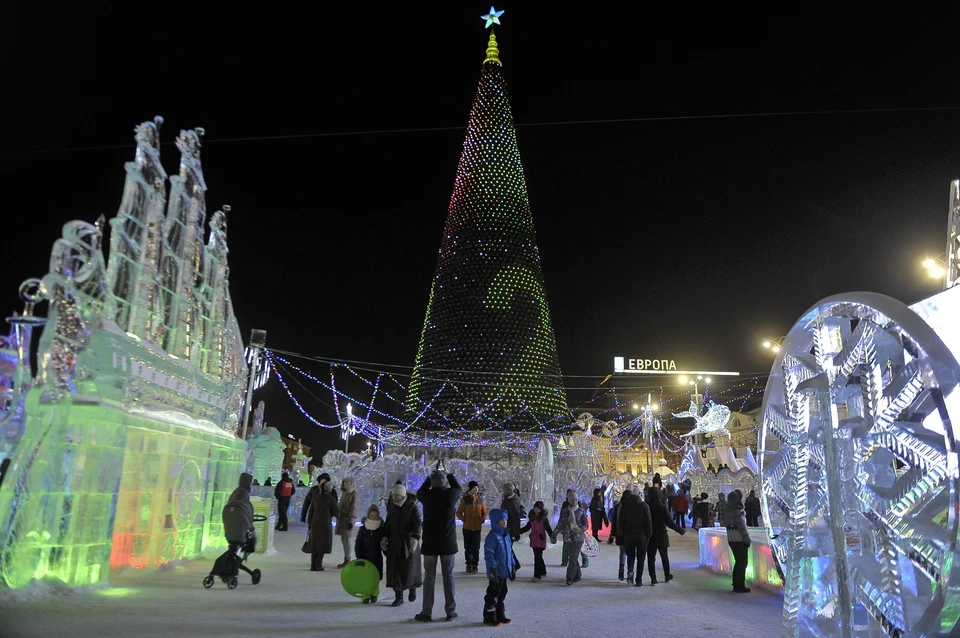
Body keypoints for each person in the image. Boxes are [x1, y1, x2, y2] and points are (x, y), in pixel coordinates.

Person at [414, 464, 462, 622]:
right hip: (447, 543)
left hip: (430, 544)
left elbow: (419, 492)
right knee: (448, 577)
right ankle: (451, 611)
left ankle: (426, 612)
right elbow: (458, 488)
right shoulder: (451, 495)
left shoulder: (426, 496)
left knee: (429, 577)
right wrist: (448, 473)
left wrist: (430, 476)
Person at [383, 483, 422, 607]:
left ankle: (412, 588)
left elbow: (417, 523)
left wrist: (415, 537)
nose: (395, 497)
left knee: (409, 568)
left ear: (403, 496)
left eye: (397, 495)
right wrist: (384, 537)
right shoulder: (392, 507)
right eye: (393, 495)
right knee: (395, 570)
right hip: (394, 543)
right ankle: (398, 595)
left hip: (408, 543)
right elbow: (388, 524)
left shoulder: (412, 507)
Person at [645, 486, 684, 585]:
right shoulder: (662, 507)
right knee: (664, 556)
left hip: (650, 535)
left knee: (651, 557)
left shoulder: (646, 506)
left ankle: (653, 578)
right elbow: (669, 522)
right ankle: (667, 575)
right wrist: (679, 530)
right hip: (661, 534)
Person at [483, 508, 514, 627]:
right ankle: (489, 615)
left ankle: (500, 613)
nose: (504, 522)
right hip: (496, 572)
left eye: (505, 519)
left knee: (502, 592)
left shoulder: (505, 535)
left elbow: (509, 552)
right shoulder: (492, 537)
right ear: (496, 521)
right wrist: (492, 569)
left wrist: (513, 566)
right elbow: (489, 555)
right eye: (501, 520)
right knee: (493, 594)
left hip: (504, 571)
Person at [616, 483, 652, 586]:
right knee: (641, 558)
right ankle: (639, 579)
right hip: (642, 536)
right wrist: (649, 534)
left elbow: (622, 520)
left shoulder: (625, 506)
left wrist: (622, 532)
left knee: (630, 556)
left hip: (628, 536)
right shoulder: (644, 506)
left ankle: (630, 573)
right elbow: (648, 521)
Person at [552, 490, 588, 586]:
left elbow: (586, 525)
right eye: (572, 500)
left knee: (572, 558)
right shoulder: (565, 511)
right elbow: (560, 524)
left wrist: (579, 529)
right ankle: (578, 574)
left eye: (576, 500)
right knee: (572, 558)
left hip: (578, 538)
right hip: (567, 537)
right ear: (569, 501)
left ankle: (569, 578)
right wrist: (554, 535)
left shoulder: (581, 511)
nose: (574, 502)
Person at [355, 504, 385, 604]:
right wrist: (359, 556)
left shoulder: (381, 529)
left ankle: (374, 593)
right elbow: (358, 543)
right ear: (368, 516)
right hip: (364, 557)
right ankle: (365, 595)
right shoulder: (363, 529)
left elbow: (384, 543)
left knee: (375, 576)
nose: (374, 518)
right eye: (372, 515)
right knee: (364, 577)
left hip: (376, 557)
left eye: (376, 516)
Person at [307, 480, 339, 571]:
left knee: (315, 544)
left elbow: (311, 511)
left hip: (315, 523)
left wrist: (309, 522)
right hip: (325, 524)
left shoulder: (316, 498)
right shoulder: (331, 499)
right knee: (323, 544)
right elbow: (336, 513)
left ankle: (313, 565)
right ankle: (318, 564)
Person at [456, 480, 487, 574]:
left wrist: (483, 519)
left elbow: (484, 513)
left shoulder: (480, 500)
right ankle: (468, 564)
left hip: (477, 528)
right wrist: (464, 519)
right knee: (468, 547)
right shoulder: (465, 500)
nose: (476, 489)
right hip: (467, 528)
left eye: (477, 488)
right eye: (474, 488)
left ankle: (475, 565)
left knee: (476, 547)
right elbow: (458, 513)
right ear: (470, 488)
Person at [519, 500, 554, 582]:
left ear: (541, 509)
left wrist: (553, 537)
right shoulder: (532, 518)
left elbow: (548, 529)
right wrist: (518, 532)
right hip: (534, 540)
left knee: (537, 558)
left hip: (541, 540)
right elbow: (527, 528)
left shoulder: (544, 519)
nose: (536, 510)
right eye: (535, 508)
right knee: (538, 557)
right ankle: (543, 571)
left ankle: (537, 575)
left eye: (538, 508)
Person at [726, 489, 752, 593]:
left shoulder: (728, 509)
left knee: (738, 562)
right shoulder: (738, 511)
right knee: (742, 562)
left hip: (731, 538)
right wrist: (747, 539)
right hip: (739, 539)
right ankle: (739, 585)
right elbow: (742, 526)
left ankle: (736, 583)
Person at [336, 477, 360, 568]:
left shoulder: (354, 494)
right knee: (343, 539)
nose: (344, 485)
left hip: (347, 520)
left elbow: (354, 508)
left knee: (346, 540)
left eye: (346, 483)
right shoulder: (344, 494)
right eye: (343, 483)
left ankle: (347, 558)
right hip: (342, 519)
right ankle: (346, 557)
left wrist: (351, 520)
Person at [610, 489, 628, 580]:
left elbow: (614, 521)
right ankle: (630, 571)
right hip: (629, 534)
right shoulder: (631, 507)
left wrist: (613, 533)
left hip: (619, 533)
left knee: (622, 552)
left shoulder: (618, 507)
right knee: (630, 553)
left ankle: (621, 568)